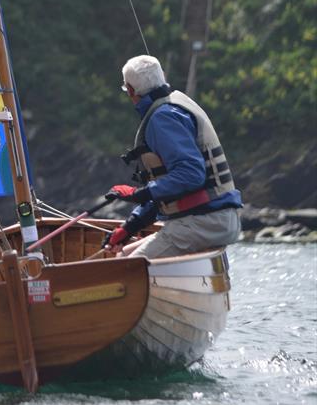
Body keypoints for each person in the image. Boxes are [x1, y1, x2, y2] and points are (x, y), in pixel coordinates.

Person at [102, 55, 242, 258]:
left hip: (203, 221)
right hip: (214, 220)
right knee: (121, 255)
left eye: (126, 89)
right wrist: (130, 227)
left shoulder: (163, 117)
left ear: (131, 90)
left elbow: (191, 175)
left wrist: (139, 193)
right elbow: (170, 191)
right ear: (162, 78)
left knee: (127, 269)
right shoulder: (176, 105)